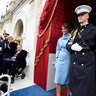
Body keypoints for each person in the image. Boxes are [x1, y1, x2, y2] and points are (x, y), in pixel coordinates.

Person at [66, 5, 96, 96]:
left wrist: (85, 49)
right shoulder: (74, 31)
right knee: (75, 89)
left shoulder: (94, 29)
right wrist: (71, 47)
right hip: (75, 65)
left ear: (88, 16)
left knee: (86, 90)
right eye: (78, 15)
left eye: (82, 14)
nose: (80, 16)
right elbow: (67, 44)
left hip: (88, 64)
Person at [54, 23, 71, 96]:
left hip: (68, 60)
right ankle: (58, 95)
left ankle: (68, 92)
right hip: (60, 60)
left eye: (64, 28)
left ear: (68, 29)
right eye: (62, 29)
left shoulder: (72, 38)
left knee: (67, 77)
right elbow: (58, 49)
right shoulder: (59, 39)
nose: (63, 30)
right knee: (58, 78)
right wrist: (57, 58)